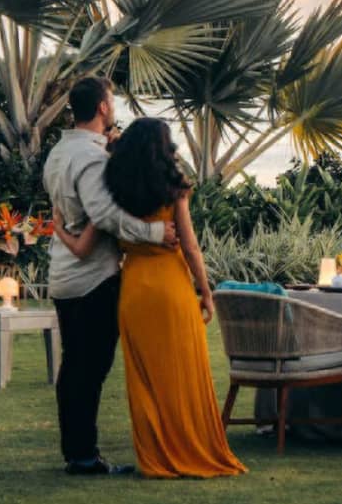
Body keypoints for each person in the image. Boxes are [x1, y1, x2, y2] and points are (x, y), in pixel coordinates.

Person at [53, 116, 246, 480]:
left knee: (145, 379)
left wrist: (60, 230)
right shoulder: (174, 187)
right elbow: (189, 245)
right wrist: (205, 290)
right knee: (181, 371)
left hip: (135, 290)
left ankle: (155, 455)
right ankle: (190, 446)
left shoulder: (113, 187)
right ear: (165, 147)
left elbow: (88, 241)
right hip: (171, 286)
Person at [41, 75, 178, 476]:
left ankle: (79, 451)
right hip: (93, 278)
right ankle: (83, 455)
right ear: (102, 107)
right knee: (90, 368)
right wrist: (154, 232)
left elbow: (73, 213)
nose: (113, 107)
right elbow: (104, 215)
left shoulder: (60, 153)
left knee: (76, 367)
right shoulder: (90, 158)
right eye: (112, 100)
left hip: (66, 273)